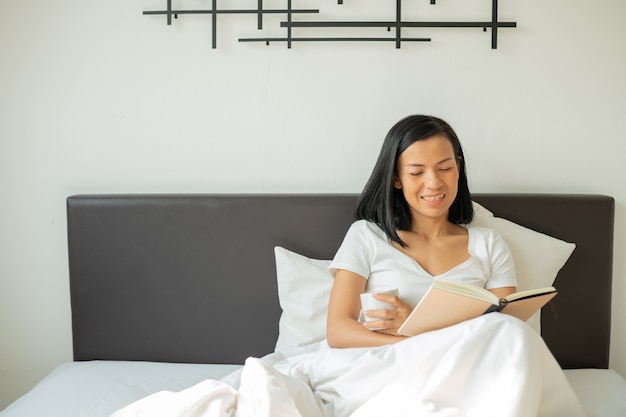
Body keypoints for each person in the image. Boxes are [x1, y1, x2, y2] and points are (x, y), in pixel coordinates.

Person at [326, 114, 518, 348]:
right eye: (417, 173)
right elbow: (338, 331)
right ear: (396, 179)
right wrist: (417, 340)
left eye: (445, 168)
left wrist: (418, 327)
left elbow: (506, 333)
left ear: (458, 168)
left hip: (464, 365)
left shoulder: (489, 244)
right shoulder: (367, 236)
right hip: (390, 363)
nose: (434, 183)